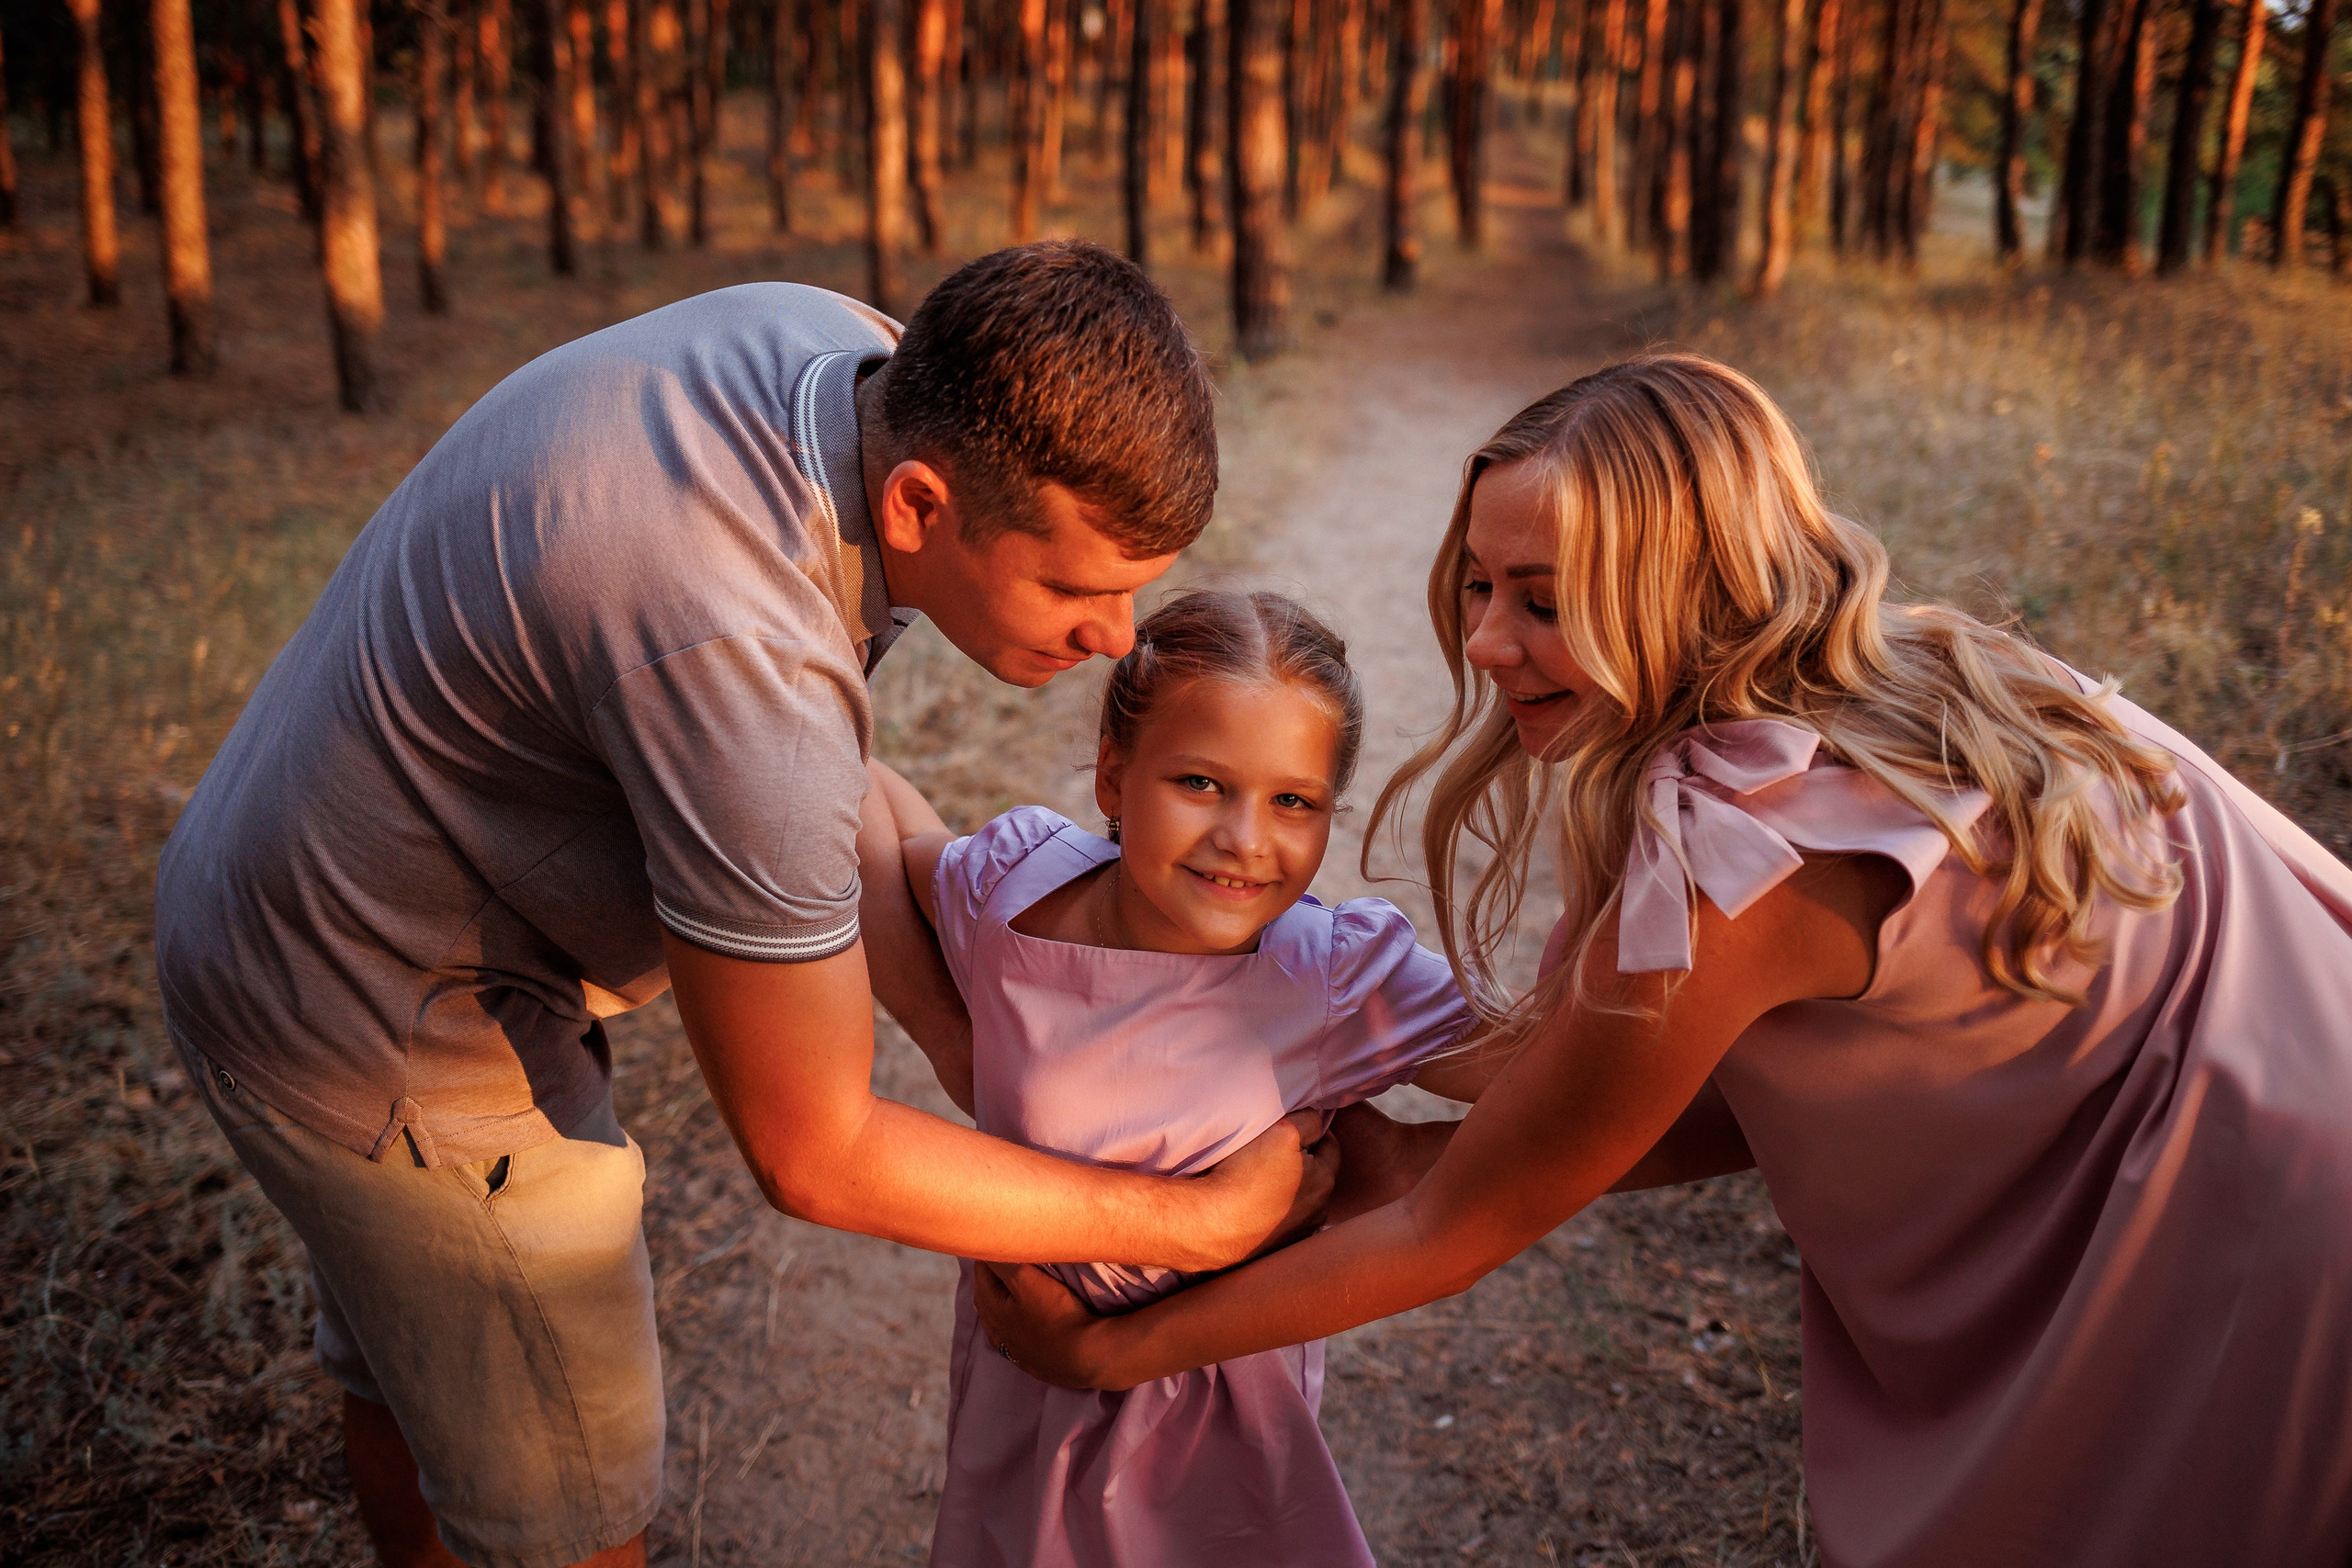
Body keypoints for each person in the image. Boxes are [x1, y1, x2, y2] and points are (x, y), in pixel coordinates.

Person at [975, 354, 2352, 1568]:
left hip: (2247, 1223)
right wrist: (1418, 1137)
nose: (1485, 641)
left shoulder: (1740, 846)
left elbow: (1462, 1229)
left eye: (1546, 599)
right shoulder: (1922, 670)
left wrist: (1107, 1348)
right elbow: (1670, 1083)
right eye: (1476, 585)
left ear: (1684, 590)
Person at [152, 243, 1333, 1568]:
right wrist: (1197, 1219)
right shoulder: (733, 639)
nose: (1120, 635)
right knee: (569, 1506)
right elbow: (811, 1149)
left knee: (419, 1373)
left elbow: (829, 783)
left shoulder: (842, 354)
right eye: (1074, 588)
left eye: (1136, 583)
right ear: (920, 507)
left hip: (263, 874)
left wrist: (973, 1041)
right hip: (377, 1010)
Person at [858, 590, 1493, 1568]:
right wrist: (954, 1039)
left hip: (1207, 1420)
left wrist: (1415, 1162)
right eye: (1200, 782)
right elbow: (862, 800)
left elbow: (1547, 1080)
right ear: (1114, 772)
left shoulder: (1326, 971)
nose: (1245, 837)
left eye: (1293, 802)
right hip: (1016, 1376)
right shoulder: (1018, 892)